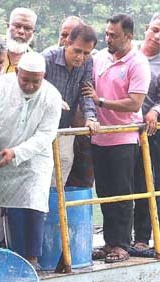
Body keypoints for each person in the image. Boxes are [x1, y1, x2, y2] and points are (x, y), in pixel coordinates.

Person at [0, 52, 62, 267]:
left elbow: (46, 134)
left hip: (33, 159)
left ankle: (30, 259)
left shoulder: (52, 96)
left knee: (32, 202)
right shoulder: (1, 87)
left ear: (44, 76)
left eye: (36, 81)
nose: (31, 86)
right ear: (17, 73)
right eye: (25, 80)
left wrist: (18, 152)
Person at [83, 14, 151, 263]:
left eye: (114, 35)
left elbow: (135, 103)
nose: (108, 39)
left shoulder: (138, 63)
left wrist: (101, 101)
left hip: (123, 137)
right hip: (99, 136)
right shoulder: (99, 57)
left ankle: (122, 244)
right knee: (104, 191)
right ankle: (109, 241)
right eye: (107, 34)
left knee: (122, 193)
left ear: (128, 36)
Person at [131, 13, 160, 256]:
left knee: (154, 184)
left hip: (151, 133)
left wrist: (155, 112)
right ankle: (126, 237)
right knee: (131, 183)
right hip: (124, 130)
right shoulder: (131, 54)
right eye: (155, 30)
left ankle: (151, 237)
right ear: (146, 28)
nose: (158, 37)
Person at [42, 21, 100, 186]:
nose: (80, 57)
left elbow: (86, 91)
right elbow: (34, 88)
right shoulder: (47, 58)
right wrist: (53, 98)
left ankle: (54, 204)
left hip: (65, 126)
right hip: (41, 126)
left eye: (86, 53)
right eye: (77, 51)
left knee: (64, 162)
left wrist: (90, 117)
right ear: (67, 43)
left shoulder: (87, 62)